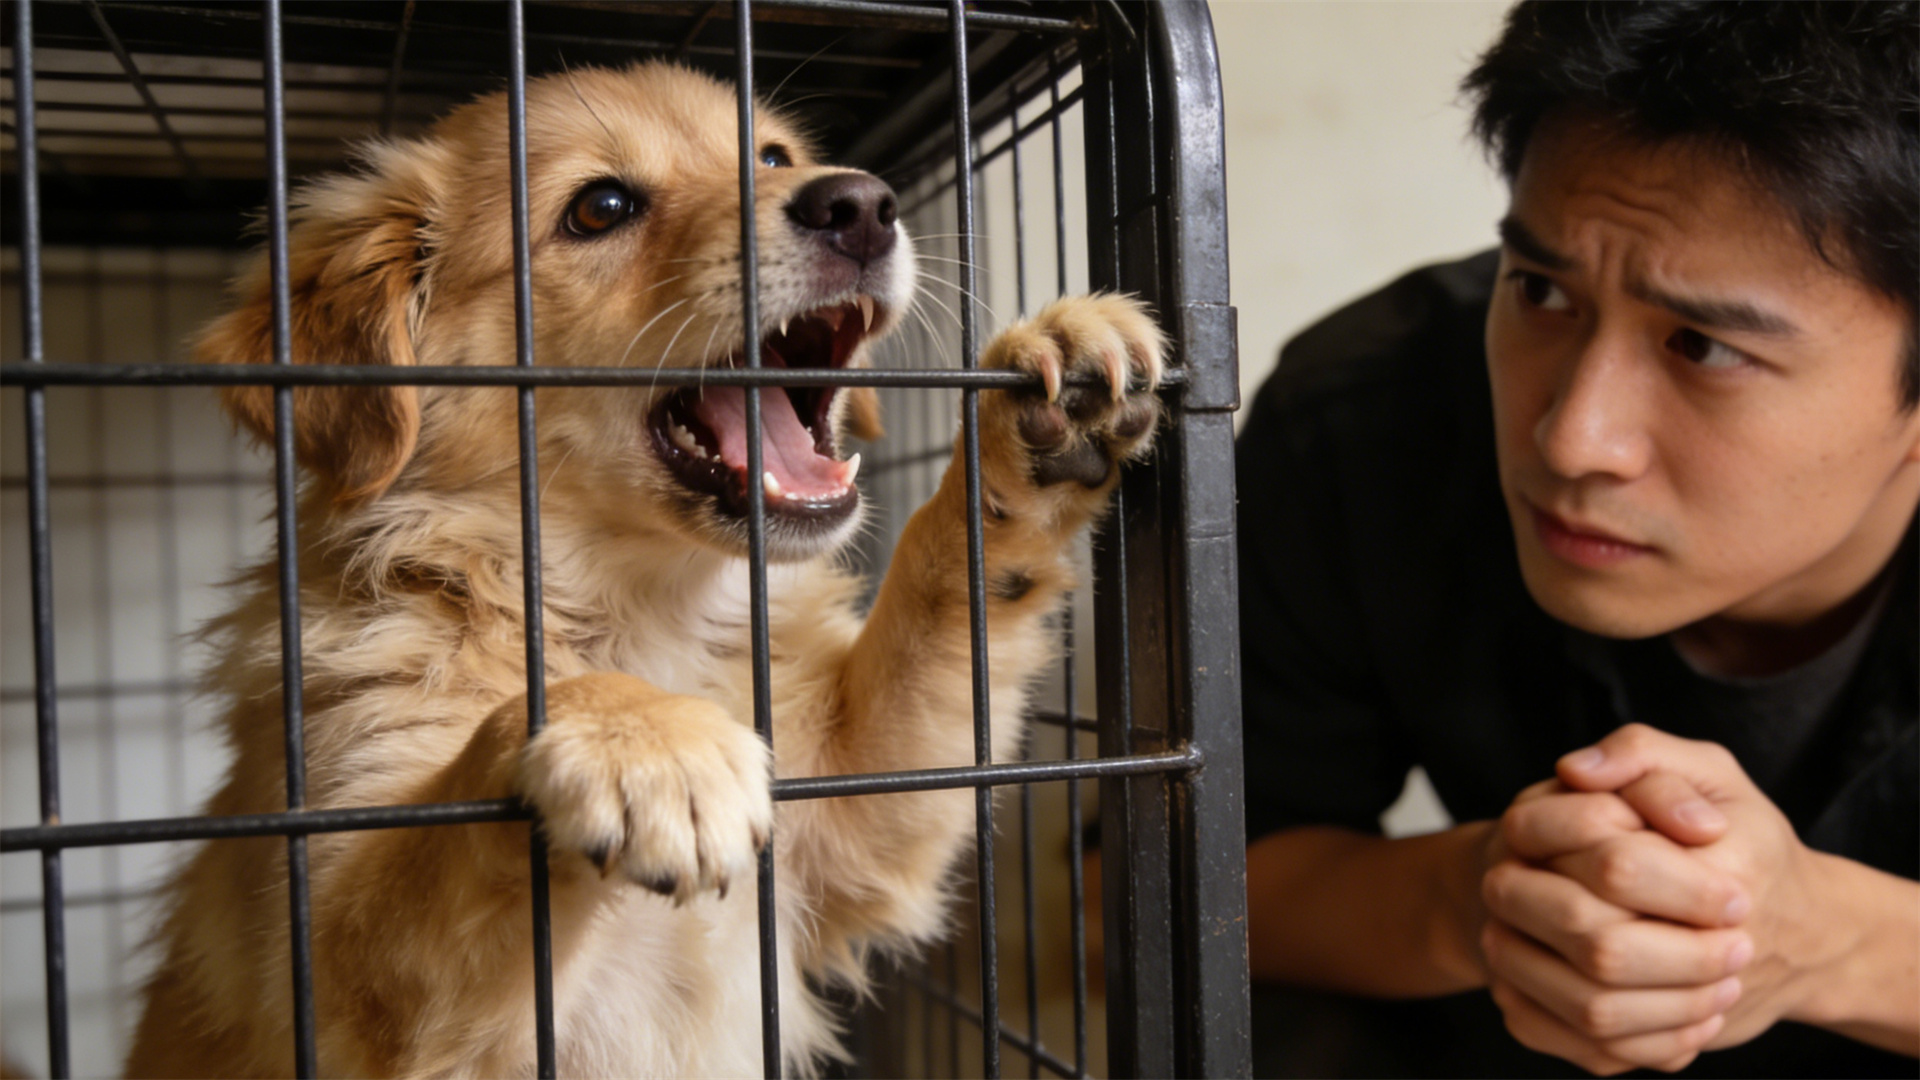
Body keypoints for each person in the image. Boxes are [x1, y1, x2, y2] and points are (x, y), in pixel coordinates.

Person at [1237, 2, 1918, 1076]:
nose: (1572, 436)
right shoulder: (1370, 417)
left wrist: (1822, 943)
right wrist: (1482, 900)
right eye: (1543, 290)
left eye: (1703, 345)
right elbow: (1131, 903)